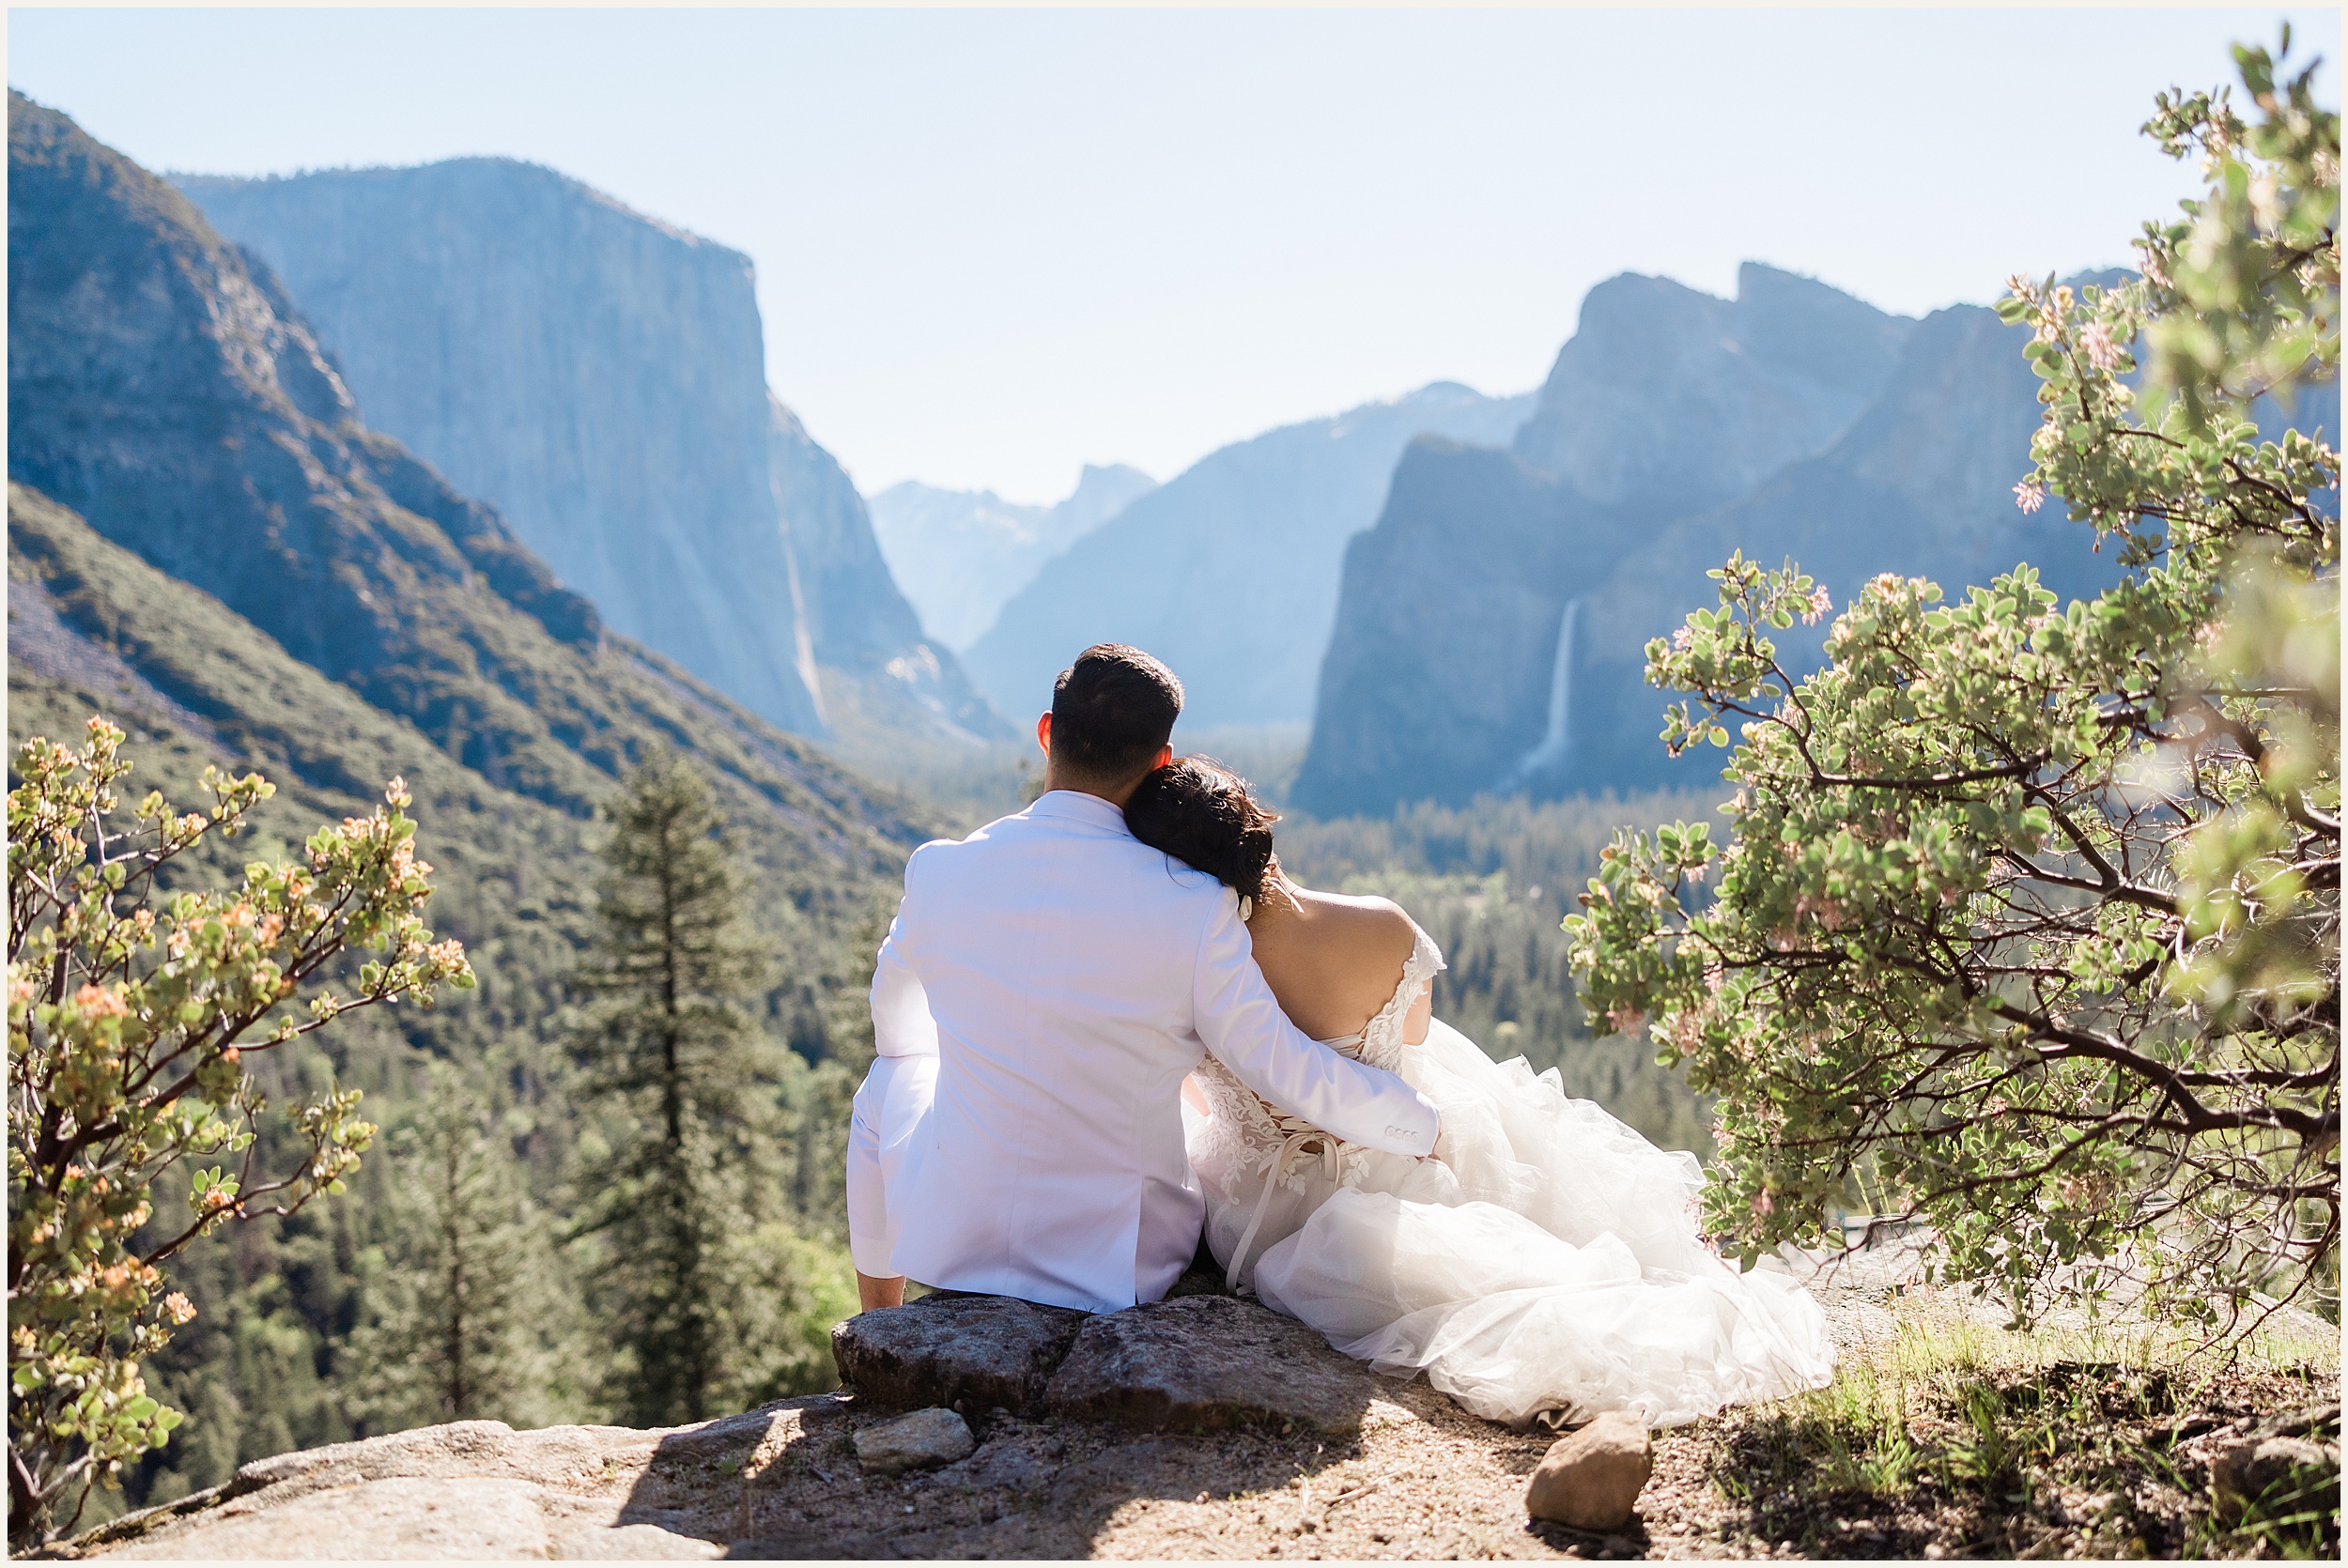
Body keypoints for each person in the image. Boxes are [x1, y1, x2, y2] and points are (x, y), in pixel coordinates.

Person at [1124, 755, 1836, 1430]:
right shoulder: (1381, 924)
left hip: (1262, 1213)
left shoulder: (1181, 972)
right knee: (1460, 1079)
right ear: (1259, 830)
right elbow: (1414, 1034)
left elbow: (1190, 1086)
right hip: (1401, 1166)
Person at [843, 644, 1440, 1316]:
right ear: (1162, 760)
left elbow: (896, 1033)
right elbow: (1281, 1067)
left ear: (1047, 733)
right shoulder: (1191, 903)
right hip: (1123, 1267)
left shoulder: (939, 870)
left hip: (956, 1243)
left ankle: (877, 1327)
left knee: (887, 1079)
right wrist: (1418, 1124)